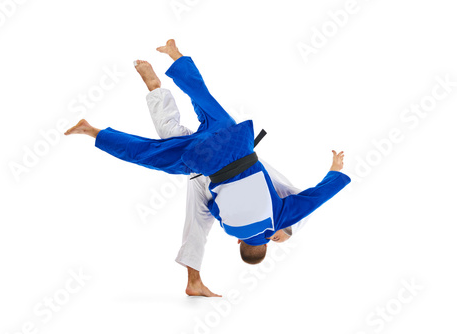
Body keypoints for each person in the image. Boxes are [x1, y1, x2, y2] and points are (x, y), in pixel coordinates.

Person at [64, 39, 351, 268]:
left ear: (267, 242)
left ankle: (175, 55)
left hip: (237, 142)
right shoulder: (230, 229)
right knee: (148, 154)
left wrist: (335, 171)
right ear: (240, 245)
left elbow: (317, 197)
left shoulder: (279, 219)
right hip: (205, 160)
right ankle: (93, 131)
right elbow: (212, 204)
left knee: (204, 99)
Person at [140, 69, 316, 296]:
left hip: (201, 170)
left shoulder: (234, 223)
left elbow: (202, 220)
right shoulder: (273, 213)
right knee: (197, 120)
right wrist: (287, 228)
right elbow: (302, 197)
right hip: (232, 156)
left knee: (173, 137)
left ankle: (194, 283)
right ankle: (168, 81)